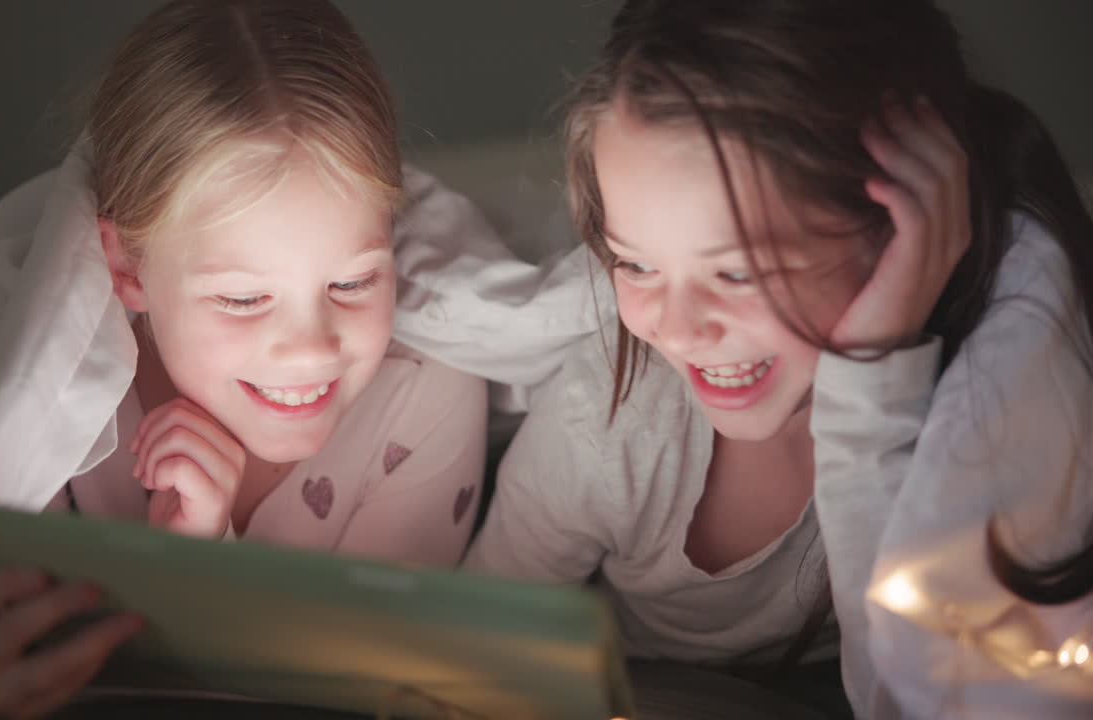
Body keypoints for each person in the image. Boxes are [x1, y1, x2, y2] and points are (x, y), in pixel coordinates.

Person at [0, 0, 486, 715]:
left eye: (353, 282)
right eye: (241, 299)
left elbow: (375, 687)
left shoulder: (425, 391)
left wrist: (200, 563)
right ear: (128, 270)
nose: (310, 348)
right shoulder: (52, 407)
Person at [458, 0, 1093, 717]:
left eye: (737, 273)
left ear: (904, 237)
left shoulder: (987, 390)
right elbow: (472, 655)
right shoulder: (603, 427)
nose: (679, 327)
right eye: (634, 265)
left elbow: (928, 696)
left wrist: (872, 376)